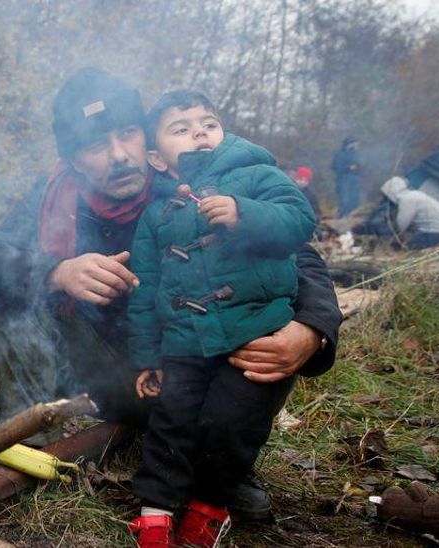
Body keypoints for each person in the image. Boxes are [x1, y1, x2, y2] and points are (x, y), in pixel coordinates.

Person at [0, 67, 341, 522]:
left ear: (149, 141)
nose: (120, 155)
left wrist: (313, 330)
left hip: (199, 373)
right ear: (76, 159)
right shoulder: (53, 196)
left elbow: (299, 253)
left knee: (260, 314)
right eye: (98, 145)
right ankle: (23, 442)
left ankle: (222, 467)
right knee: (11, 289)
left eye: (128, 134)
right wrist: (58, 271)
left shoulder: (193, 180)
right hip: (107, 373)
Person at [125, 90, 316, 547]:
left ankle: (211, 504)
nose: (199, 132)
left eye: (208, 123)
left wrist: (244, 213)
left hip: (252, 336)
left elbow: (300, 220)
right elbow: (145, 287)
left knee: (229, 425)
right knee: (171, 420)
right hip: (185, 342)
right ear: (156, 157)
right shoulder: (155, 215)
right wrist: (147, 357)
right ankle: (155, 507)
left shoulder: (256, 174)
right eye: (181, 128)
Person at [379, 176, 439, 249]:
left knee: (403, 246)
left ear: (392, 192)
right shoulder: (414, 195)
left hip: (436, 235)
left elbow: (401, 225)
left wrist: (388, 233)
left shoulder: (407, 199)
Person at [332, 136, 362, 218]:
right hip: (343, 180)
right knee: (344, 199)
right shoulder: (340, 154)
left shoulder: (356, 154)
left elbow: (361, 165)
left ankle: (353, 215)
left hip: (355, 179)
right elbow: (335, 167)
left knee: (355, 198)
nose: (357, 146)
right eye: (355, 144)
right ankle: (343, 216)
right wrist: (348, 167)